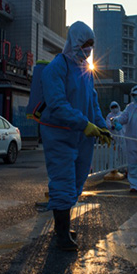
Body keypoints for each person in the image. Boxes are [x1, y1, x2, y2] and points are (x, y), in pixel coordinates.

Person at [39, 21, 111, 251]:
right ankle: (60, 234)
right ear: (75, 42)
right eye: (85, 44)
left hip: (82, 136)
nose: (88, 49)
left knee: (77, 183)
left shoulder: (85, 71)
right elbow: (57, 105)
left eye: (91, 45)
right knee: (63, 182)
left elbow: (93, 103)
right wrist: (85, 124)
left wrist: (101, 126)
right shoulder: (56, 68)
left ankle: (62, 226)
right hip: (59, 135)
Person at [105, 101, 126, 179]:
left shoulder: (122, 114)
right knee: (113, 154)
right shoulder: (109, 115)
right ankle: (113, 168)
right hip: (113, 138)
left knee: (123, 153)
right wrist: (112, 126)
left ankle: (122, 167)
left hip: (122, 136)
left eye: (115, 107)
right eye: (112, 107)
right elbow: (108, 124)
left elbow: (125, 122)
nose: (114, 109)